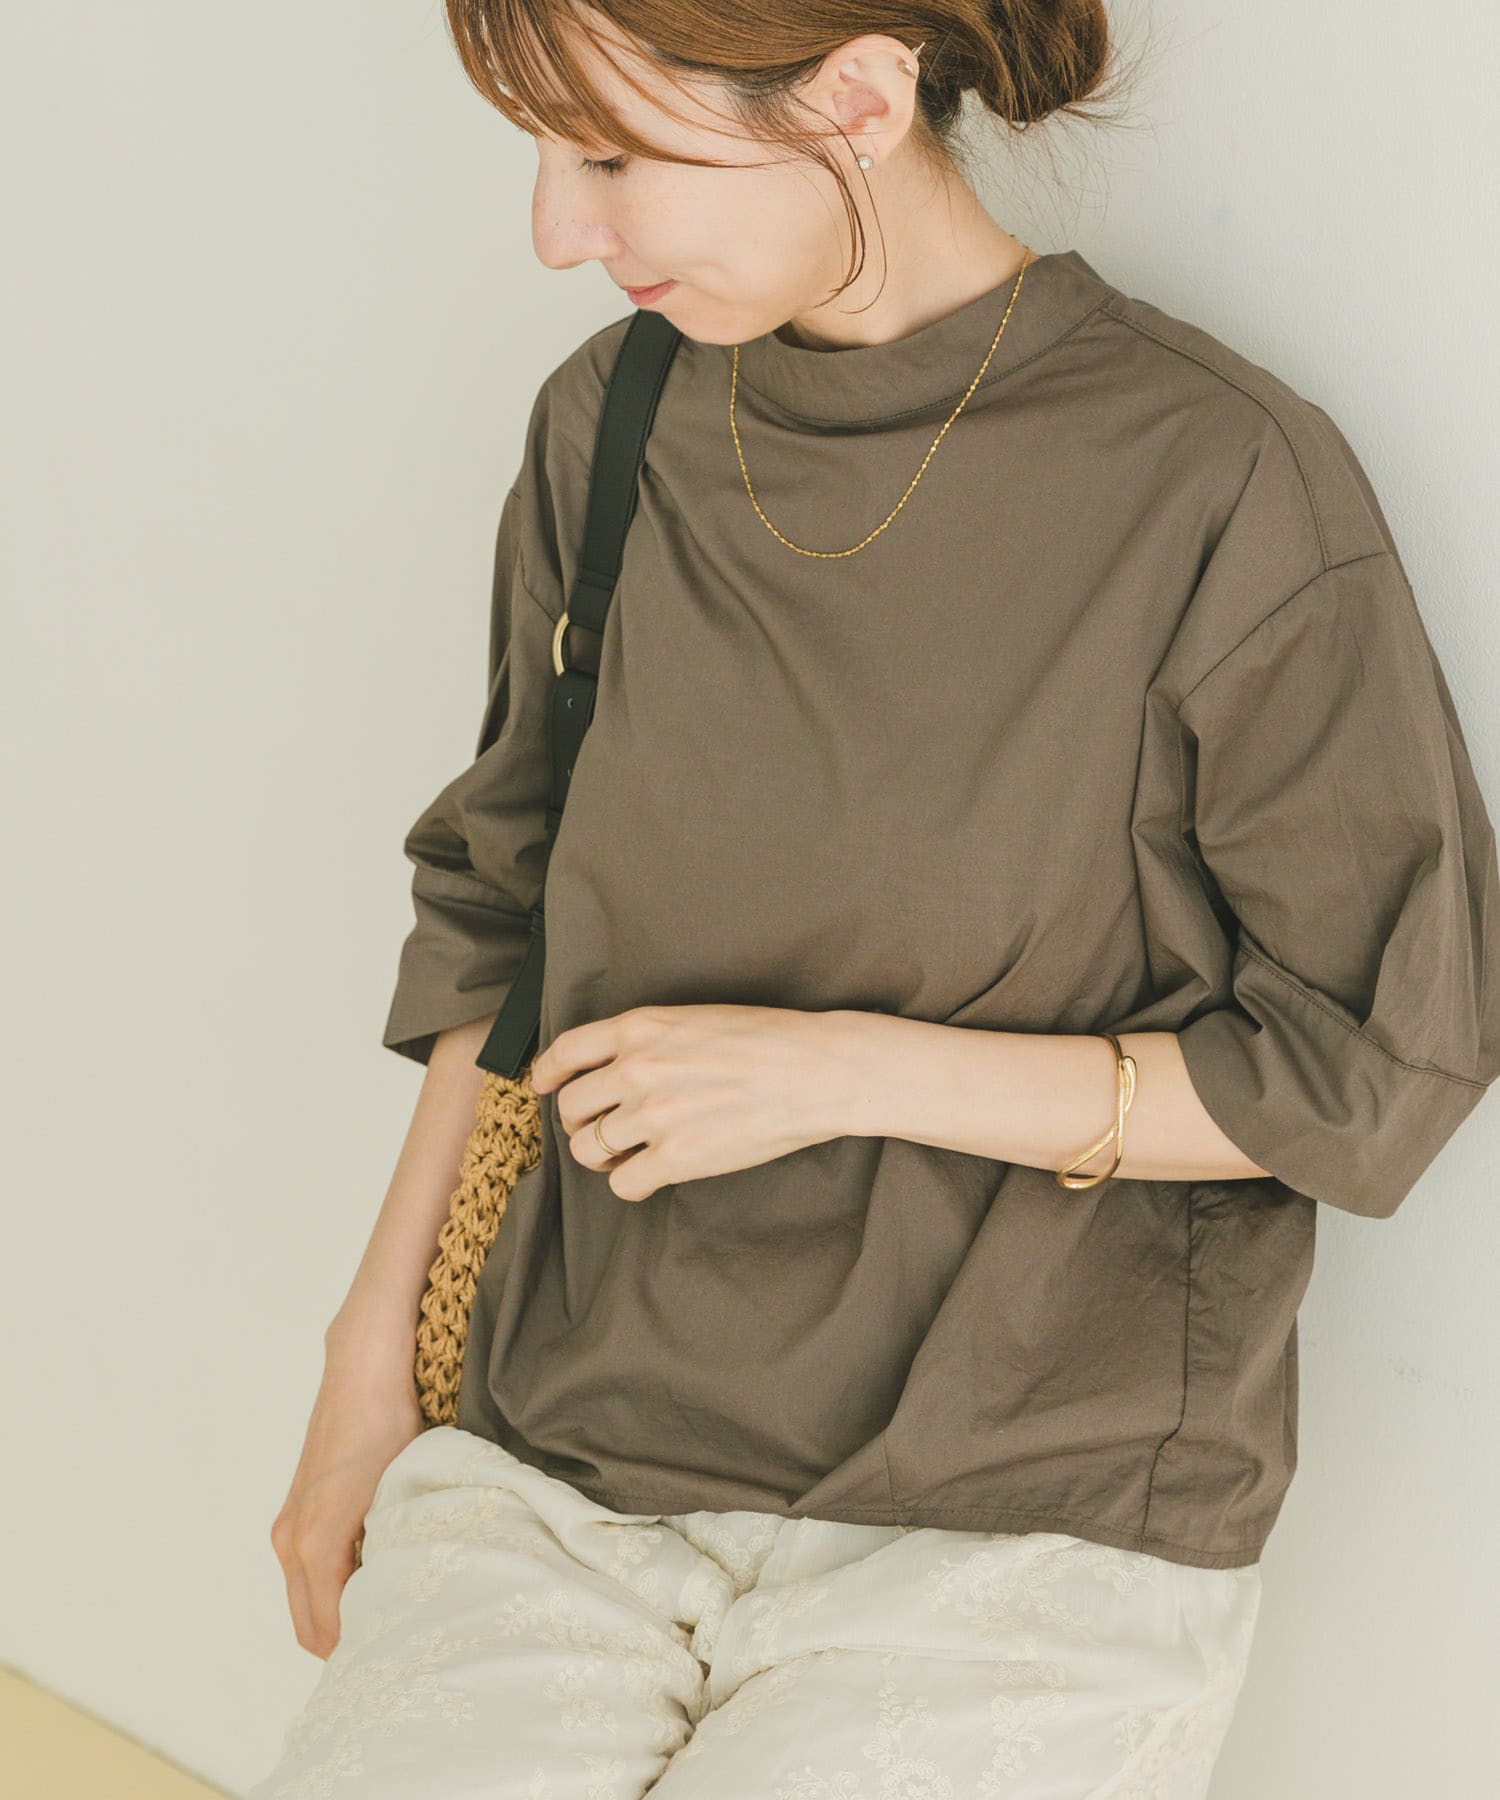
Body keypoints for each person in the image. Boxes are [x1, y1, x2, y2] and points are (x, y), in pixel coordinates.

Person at [252, 3, 1500, 1796]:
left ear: (853, 94)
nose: (553, 228)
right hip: (566, 1463)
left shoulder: (1214, 477)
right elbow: (502, 912)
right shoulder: (614, 424)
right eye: (538, 151)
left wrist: (838, 1071)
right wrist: (365, 1361)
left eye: (607, 152)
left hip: (1032, 1517)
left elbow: (1373, 1064)